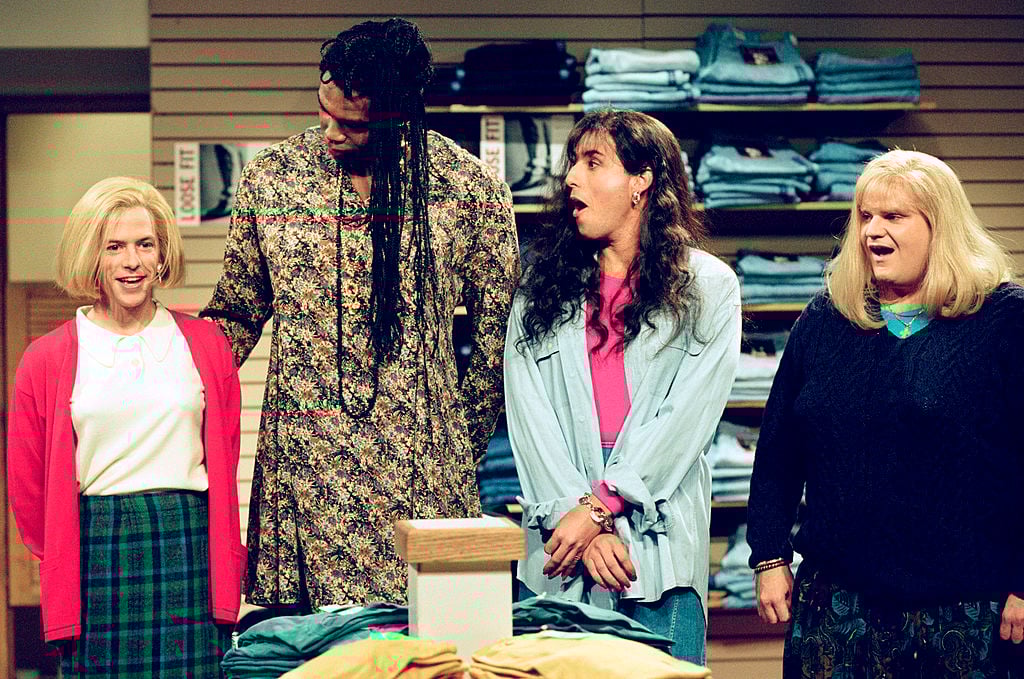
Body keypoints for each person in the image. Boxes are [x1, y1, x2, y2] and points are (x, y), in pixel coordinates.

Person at [200, 17, 520, 611]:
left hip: (422, 477)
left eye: (352, 123)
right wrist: (171, 368)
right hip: (305, 472)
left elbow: (497, 339)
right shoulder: (275, 178)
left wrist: (456, 441)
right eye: (323, 111)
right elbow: (237, 310)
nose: (331, 132)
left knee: (428, 650)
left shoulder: (468, 189)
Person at [747, 149, 1024, 677]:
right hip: (834, 609)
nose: (873, 230)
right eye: (865, 216)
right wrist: (769, 555)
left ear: (940, 226)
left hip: (965, 613)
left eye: (894, 216)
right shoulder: (827, 317)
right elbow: (778, 451)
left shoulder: (1004, 319)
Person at [504, 109, 742, 664]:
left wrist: (601, 507)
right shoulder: (541, 286)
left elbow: (685, 420)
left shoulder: (709, 287)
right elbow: (528, 414)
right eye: (572, 163)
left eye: (593, 163)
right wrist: (579, 515)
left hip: (657, 539)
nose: (571, 178)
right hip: (560, 541)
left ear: (642, 181)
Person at [6, 177, 243, 677]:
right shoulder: (44, 359)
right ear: (92, 255)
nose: (131, 261)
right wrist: (66, 553)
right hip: (94, 552)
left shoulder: (207, 345)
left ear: (162, 253)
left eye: (144, 244)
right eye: (114, 246)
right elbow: (28, 491)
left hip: (188, 547)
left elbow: (225, 452)